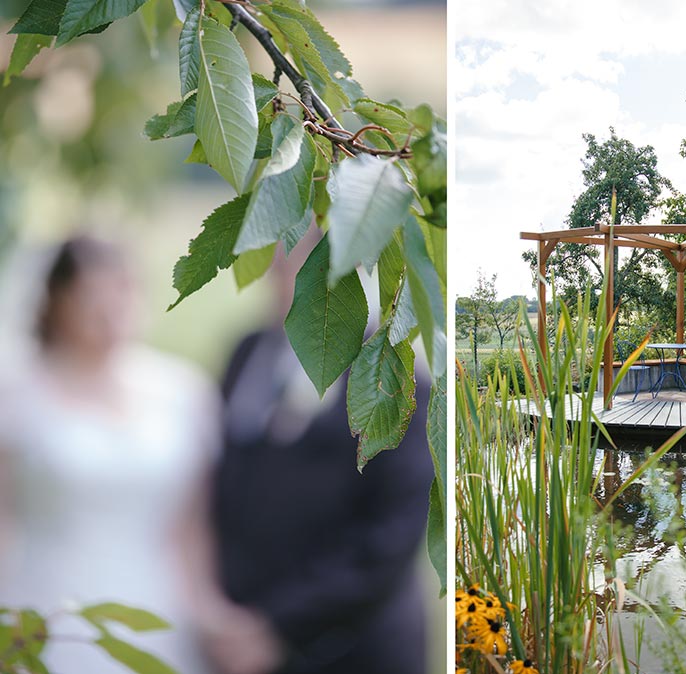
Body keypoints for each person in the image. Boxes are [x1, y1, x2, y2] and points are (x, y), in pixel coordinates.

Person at [209, 229, 435, 674]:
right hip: (239, 642)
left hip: (352, 651)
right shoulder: (247, 352)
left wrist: (276, 626)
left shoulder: (396, 382)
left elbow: (389, 538)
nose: (280, 275)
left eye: (298, 264)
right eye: (276, 261)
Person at [0, 235, 217, 673]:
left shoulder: (184, 391)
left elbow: (191, 528)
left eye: (121, 290)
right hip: (49, 605)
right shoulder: (17, 396)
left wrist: (207, 609)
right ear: (57, 301)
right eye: (91, 294)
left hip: (157, 601)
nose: (109, 309)